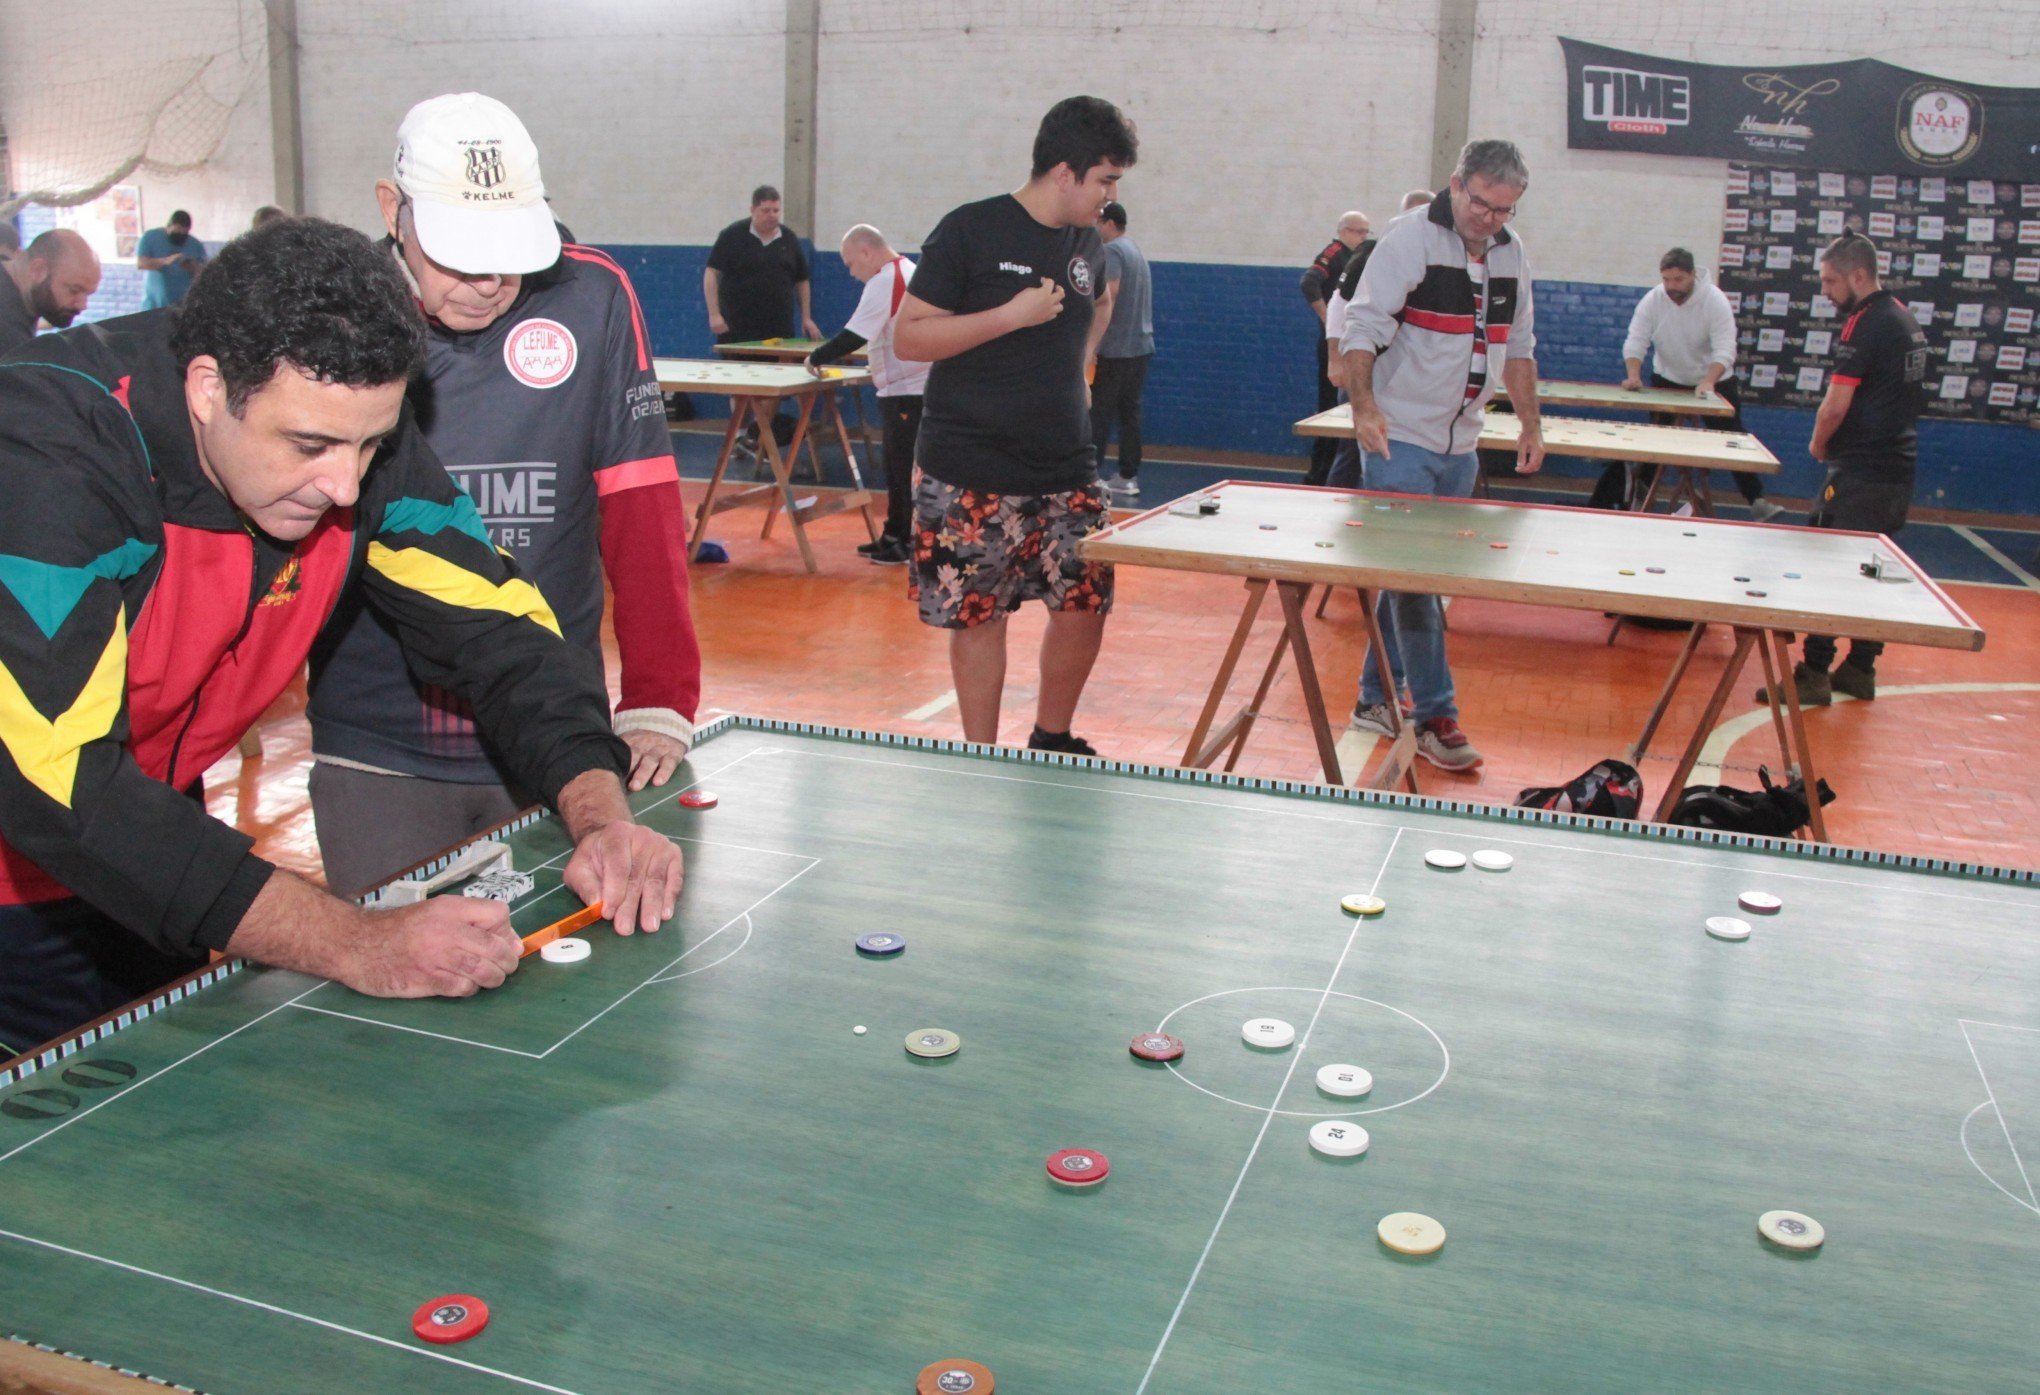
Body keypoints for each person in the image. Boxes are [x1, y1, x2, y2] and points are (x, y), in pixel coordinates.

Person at [0, 216, 683, 1056]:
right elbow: (57, 782)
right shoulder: (48, 456)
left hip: (147, 835)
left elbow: (505, 630)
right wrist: (358, 940)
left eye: (369, 445)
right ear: (209, 387)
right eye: (311, 444)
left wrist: (601, 813)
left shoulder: (357, 446)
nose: (343, 485)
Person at [306, 92, 701, 898]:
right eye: (460, 252)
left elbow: (642, 502)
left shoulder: (593, 297)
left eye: (509, 251)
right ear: (393, 210)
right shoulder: (328, 314)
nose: (490, 282)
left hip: (558, 735)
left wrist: (660, 691)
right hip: (379, 742)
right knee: (400, 990)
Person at [893, 95, 1138, 755]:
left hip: (1067, 467)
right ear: (1064, 171)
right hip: (970, 470)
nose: (1110, 196)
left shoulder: (1087, 242)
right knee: (978, 616)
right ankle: (980, 758)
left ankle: (1051, 736)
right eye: (1105, 180)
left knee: (1086, 601)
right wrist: (1010, 315)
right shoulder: (969, 230)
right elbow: (908, 339)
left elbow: (1090, 311)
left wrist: (1076, 373)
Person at [1340, 140, 1544, 772]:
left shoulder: (1512, 255)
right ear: (1456, 184)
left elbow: (1520, 347)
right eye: (1481, 203)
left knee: (1409, 579)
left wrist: (1531, 426)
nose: (1489, 219)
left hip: (1463, 444)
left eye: (1504, 210)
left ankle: (1375, 698)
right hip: (1398, 437)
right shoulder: (1406, 242)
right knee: (1418, 581)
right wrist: (1365, 408)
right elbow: (1362, 329)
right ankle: (1436, 715)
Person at [1763, 232, 1927, 707]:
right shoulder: (1903, 318)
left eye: (1832, 281)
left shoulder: (1866, 323)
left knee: (1828, 572)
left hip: (1860, 472)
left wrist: (1818, 443)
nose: (1826, 291)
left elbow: (1836, 404)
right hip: (1896, 470)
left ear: (1859, 276)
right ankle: (1860, 668)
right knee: (1870, 573)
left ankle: (1813, 674)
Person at [1591, 247, 1782, 520]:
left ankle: (1757, 500)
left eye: (1678, 279)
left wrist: (1708, 381)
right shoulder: (1653, 300)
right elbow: (1636, 340)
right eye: (1666, 279)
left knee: (1733, 438)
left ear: (1693, 274)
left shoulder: (1714, 301)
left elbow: (1726, 349)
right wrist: (1633, 374)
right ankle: (1639, 489)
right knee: (1658, 439)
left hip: (1714, 381)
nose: (1671, 286)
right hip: (1669, 377)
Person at [806, 223, 929, 567]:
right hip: (904, 387)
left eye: (850, 263)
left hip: (908, 389)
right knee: (896, 466)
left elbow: (854, 335)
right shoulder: (905, 271)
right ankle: (893, 534)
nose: (850, 272)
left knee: (903, 468)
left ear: (866, 252)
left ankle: (903, 542)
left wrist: (816, 357)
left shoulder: (887, 279)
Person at [1322, 190, 1431, 488]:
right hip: (1364, 368)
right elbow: (1338, 304)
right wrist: (1335, 359)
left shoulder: (1440, 257)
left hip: (1402, 379)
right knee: (1352, 451)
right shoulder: (1375, 251)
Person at [1090, 200, 1154, 499]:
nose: (1095, 227)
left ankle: (1090, 473)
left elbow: (1110, 294)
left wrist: (1092, 343)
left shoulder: (1112, 251)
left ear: (1110, 224)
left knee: (1099, 411)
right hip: (1140, 347)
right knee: (1130, 413)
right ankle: (1128, 476)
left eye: (1099, 222)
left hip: (1116, 348)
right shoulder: (1135, 250)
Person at [1301, 211, 1369, 485]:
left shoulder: (1357, 259)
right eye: (1358, 231)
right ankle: (1319, 476)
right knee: (1330, 409)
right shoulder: (1334, 252)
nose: (1363, 237)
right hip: (1333, 346)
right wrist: (1329, 317)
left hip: (1348, 345)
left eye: (1366, 232)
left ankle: (1336, 473)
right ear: (1343, 231)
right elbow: (1309, 282)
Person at [705, 186, 819, 344]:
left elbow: (802, 280)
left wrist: (806, 317)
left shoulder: (789, 238)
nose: (772, 216)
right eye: (766, 211)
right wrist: (714, 314)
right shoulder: (732, 235)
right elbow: (711, 273)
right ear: (753, 210)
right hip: (737, 327)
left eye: (776, 210)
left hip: (779, 327)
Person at [0, 229, 102, 356]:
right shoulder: (7, 334)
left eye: (88, 294)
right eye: (74, 290)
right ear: (37, 270)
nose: (82, 305)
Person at [135, 210, 207, 308]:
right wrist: (164, 261)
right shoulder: (150, 237)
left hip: (182, 304)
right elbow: (141, 264)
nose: (180, 237)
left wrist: (193, 267)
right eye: (177, 233)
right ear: (169, 226)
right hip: (155, 304)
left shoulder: (195, 245)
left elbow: (204, 273)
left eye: (183, 234)